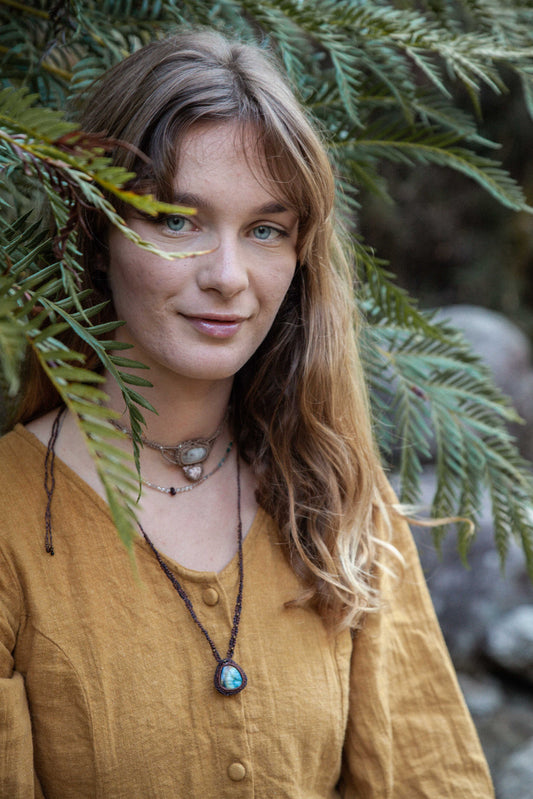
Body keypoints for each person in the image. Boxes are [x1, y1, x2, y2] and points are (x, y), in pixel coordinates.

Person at [0, 30, 494, 798]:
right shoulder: (10, 517)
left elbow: (428, 778)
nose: (228, 276)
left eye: (265, 229)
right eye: (176, 220)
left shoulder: (335, 497)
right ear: (94, 232)